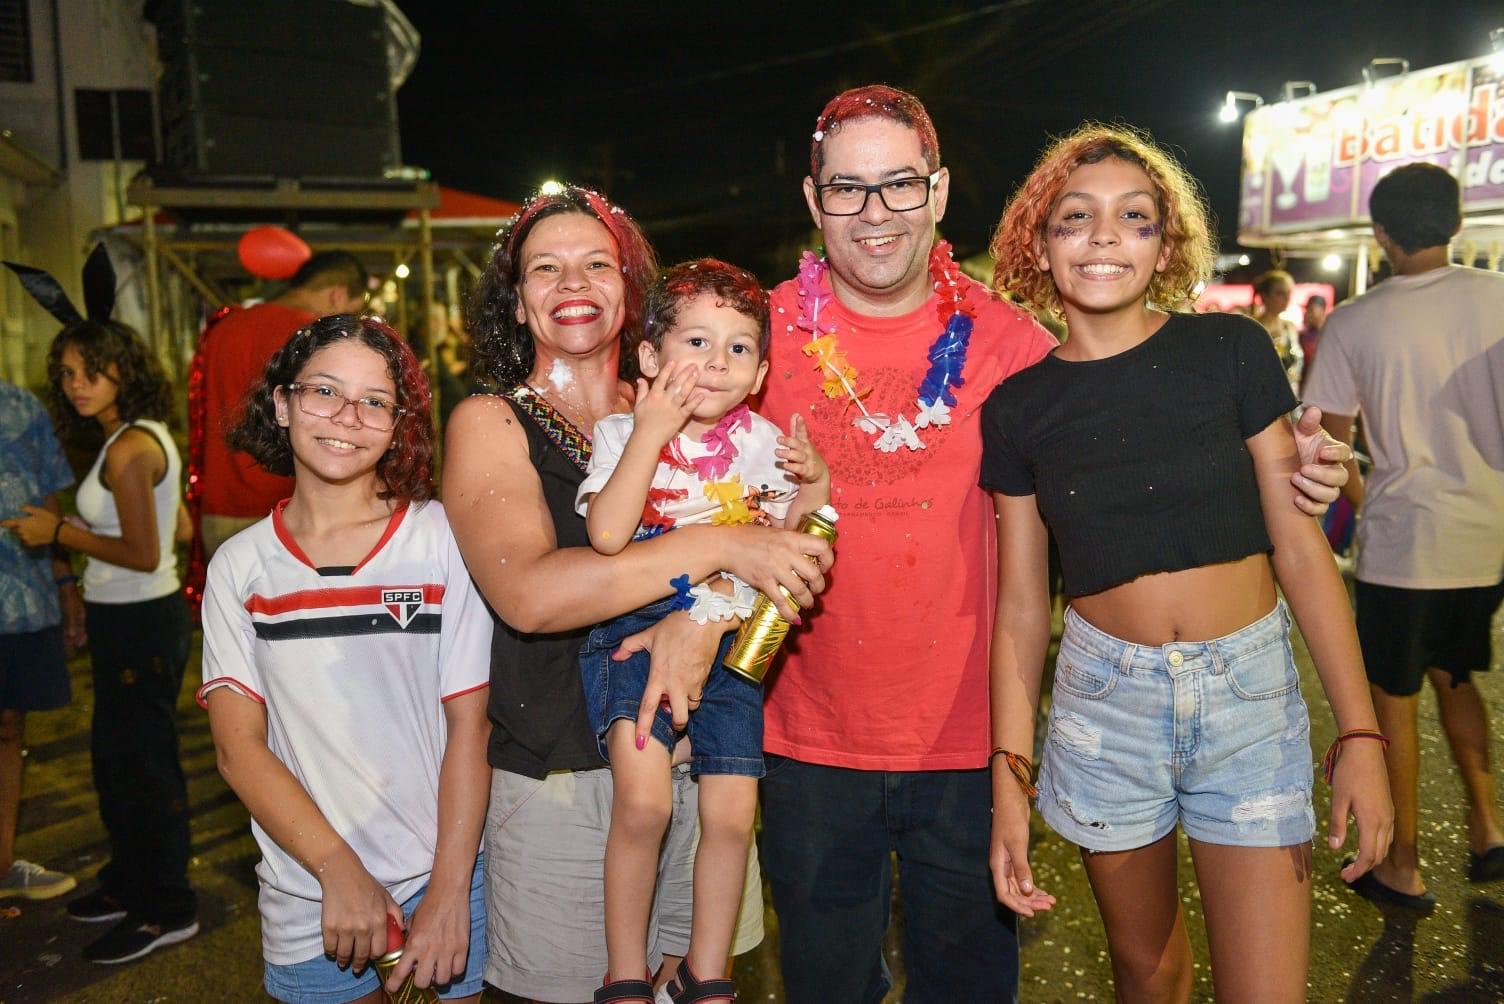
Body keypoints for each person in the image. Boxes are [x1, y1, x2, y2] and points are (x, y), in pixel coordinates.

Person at [736, 86, 1355, 1003]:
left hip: (971, 744)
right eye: (848, 188)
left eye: (899, 184)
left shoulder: (1015, 344)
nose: (874, 212)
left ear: (939, 193)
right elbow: (674, 470)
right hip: (805, 742)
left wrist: (1286, 458)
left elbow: (1128, 416)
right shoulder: (753, 337)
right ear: (811, 197)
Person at [983, 123, 1393, 1003]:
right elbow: (1022, 606)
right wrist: (1008, 781)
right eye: (1074, 218)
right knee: (1150, 978)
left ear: (1164, 243)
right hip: (1103, 711)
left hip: (1249, 697)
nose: (1102, 236)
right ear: (1037, 242)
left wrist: (1360, 736)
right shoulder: (1018, 407)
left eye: (1132, 217)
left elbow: (1301, 550)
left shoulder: (1230, 351)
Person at [442, 186, 830, 1003]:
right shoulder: (492, 420)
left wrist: (701, 615)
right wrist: (720, 550)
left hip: (702, 754)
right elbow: (533, 597)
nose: (572, 282)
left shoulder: (701, 412)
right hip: (563, 776)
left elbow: (785, 551)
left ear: (633, 293)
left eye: (596, 263)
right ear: (517, 302)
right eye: (545, 268)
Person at [198, 314, 492, 1003]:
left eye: (374, 402)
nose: (346, 418)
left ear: (399, 422)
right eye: (323, 392)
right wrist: (337, 868)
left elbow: (470, 727)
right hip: (309, 888)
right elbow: (239, 752)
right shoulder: (241, 567)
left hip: (444, 874)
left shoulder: (441, 537)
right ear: (282, 402)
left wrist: (449, 891)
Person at [577, 259, 830, 1003]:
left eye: (739, 347)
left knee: (732, 812)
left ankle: (706, 972)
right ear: (650, 358)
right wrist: (649, 434)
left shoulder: (761, 441)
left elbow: (798, 540)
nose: (716, 362)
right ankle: (625, 971)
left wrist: (812, 479)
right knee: (646, 803)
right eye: (695, 341)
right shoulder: (622, 430)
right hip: (632, 627)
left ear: (758, 374)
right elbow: (607, 536)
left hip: (731, 632)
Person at [1306, 163, 1504, 904]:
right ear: (1457, 223)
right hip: (1486, 537)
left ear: (1380, 234)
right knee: (1459, 676)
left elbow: (1329, 441)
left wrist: (1368, 496)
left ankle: (1403, 860)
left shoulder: (1357, 321)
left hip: (1404, 545)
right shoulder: (1499, 299)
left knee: (1393, 701)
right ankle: (1488, 828)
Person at [3, 317, 196, 963]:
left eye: (91, 371)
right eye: (66, 373)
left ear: (124, 370)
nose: (77, 384)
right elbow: (179, 529)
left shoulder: (127, 448)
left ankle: (166, 908)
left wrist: (60, 535)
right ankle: (128, 883)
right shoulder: (131, 439)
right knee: (118, 762)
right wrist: (92, 531)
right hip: (132, 616)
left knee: (143, 767)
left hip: (142, 619)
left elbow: (146, 551)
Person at [196, 250, 369, 559]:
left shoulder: (224, 329)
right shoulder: (313, 337)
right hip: (288, 511)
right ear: (337, 295)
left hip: (219, 507)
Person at [0, 377, 84, 901]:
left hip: (20, 597)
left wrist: (65, 584)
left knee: (9, 725)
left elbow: (48, 501)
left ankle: (3, 863)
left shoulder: (19, 404)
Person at [1250, 268, 1302, 385]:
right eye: (1280, 293)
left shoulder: (1289, 326)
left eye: (1288, 293)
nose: (1286, 298)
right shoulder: (1253, 327)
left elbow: (1297, 363)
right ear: (1265, 296)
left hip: (1290, 394)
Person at [1296, 293, 1328, 394]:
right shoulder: (1303, 335)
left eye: (1312, 309)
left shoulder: (1330, 333)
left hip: (1324, 385)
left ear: (1322, 309)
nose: (1308, 313)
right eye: (1307, 309)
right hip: (1306, 386)